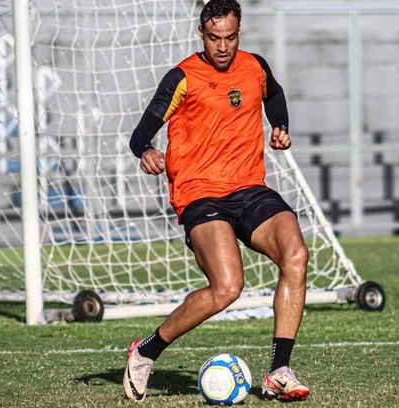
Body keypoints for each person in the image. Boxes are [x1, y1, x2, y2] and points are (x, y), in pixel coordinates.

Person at [124, 0, 310, 402]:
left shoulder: (254, 66)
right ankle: (145, 352)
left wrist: (280, 125)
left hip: (249, 187)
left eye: (229, 37)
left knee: (296, 254)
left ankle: (279, 370)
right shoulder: (182, 78)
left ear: (238, 32)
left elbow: (273, 94)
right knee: (227, 288)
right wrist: (146, 151)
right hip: (200, 192)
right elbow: (141, 131)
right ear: (201, 34)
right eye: (214, 38)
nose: (222, 46)